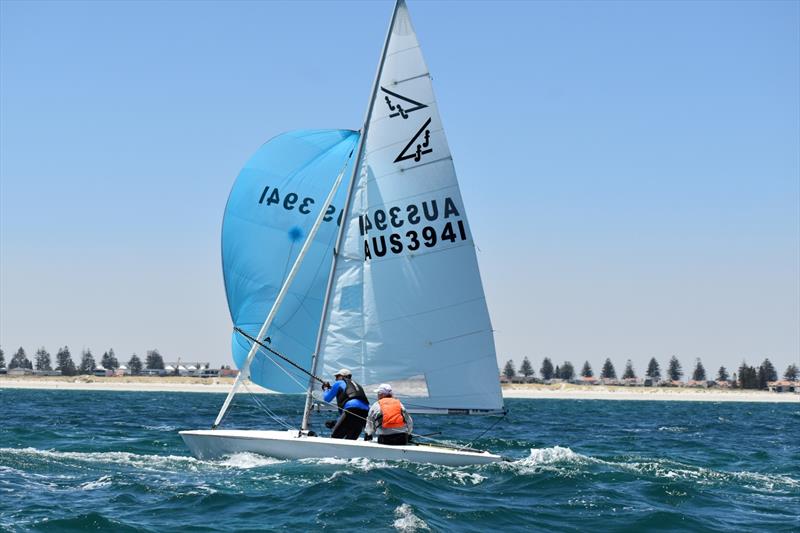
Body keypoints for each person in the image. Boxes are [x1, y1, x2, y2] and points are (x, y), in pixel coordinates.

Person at [321, 368, 369, 440]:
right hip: (365, 412)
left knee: (335, 437)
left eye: (337, 377)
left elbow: (327, 399)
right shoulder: (357, 385)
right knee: (351, 439)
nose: (335, 379)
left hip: (351, 409)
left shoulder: (339, 383)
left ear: (342, 376)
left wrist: (325, 389)